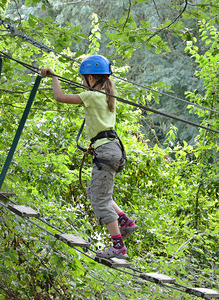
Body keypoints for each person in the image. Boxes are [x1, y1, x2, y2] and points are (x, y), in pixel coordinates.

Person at [40, 55, 138, 259]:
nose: (82, 82)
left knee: (100, 198)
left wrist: (54, 77)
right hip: (112, 149)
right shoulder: (108, 95)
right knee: (96, 191)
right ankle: (123, 221)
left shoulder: (92, 96)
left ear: (91, 79)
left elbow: (60, 97)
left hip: (106, 151)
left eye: (83, 78)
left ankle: (118, 246)